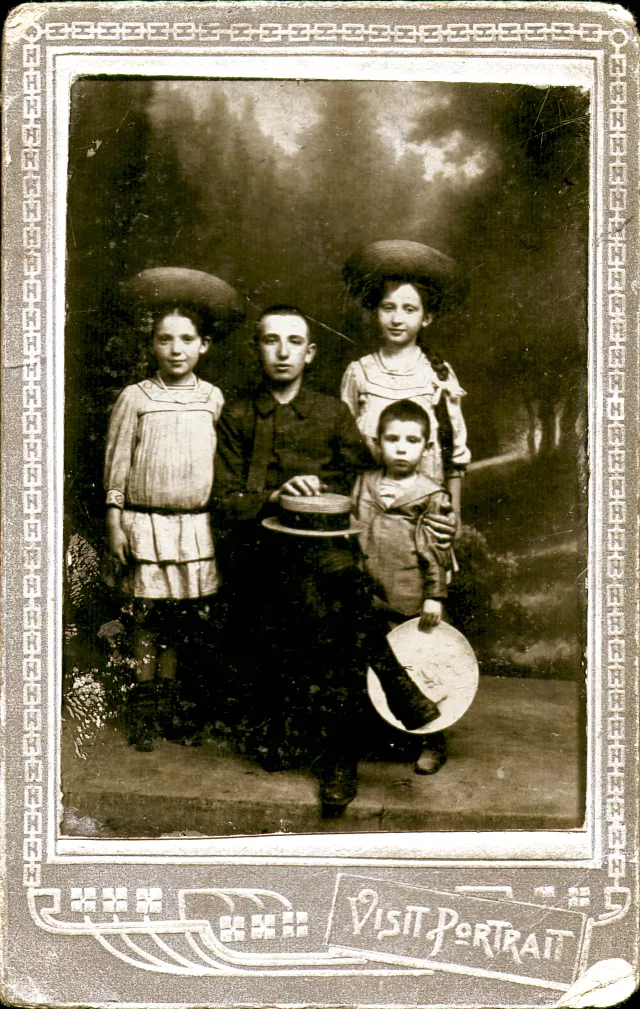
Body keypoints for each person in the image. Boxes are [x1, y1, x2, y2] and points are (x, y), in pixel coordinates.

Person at [213, 305, 439, 814]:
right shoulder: (237, 413)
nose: (283, 351)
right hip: (259, 557)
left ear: (310, 353)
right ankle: (398, 686)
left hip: (325, 555)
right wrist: (275, 495)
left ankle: (339, 757)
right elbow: (223, 499)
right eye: (271, 340)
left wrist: (322, 493)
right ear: (257, 349)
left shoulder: (330, 414)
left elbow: (362, 485)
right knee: (341, 597)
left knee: (338, 605)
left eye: (295, 341)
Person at [104, 267, 243, 751]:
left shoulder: (213, 399)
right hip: (145, 525)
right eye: (166, 339)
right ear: (153, 345)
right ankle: (142, 708)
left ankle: (170, 708)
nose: (176, 349)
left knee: (182, 623)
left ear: (204, 345)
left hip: (194, 529)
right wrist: (115, 522)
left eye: (187, 339)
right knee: (147, 620)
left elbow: (222, 464)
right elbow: (117, 465)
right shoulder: (135, 398)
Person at [351, 399, 455, 774]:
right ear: (377, 442)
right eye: (392, 439)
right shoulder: (363, 483)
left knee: (416, 669)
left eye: (411, 440)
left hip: (408, 597)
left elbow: (436, 552)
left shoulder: (430, 494)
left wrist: (433, 595)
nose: (400, 447)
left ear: (426, 448)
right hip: (366, 592)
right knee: (372, 668)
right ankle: (381, 736)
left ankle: (432, 741)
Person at [341, 240, 470, 537]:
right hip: (369, 508)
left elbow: (455, 454)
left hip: (426, 509)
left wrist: (454, 514)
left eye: (409, 309)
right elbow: (344, 448)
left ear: (427, 317)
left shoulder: (437, 375)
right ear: (375, 312)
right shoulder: (358, 373)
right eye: (388, 308)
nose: (397, 319)